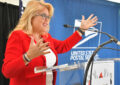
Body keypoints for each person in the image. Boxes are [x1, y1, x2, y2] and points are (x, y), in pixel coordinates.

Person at [2, 0, 98, 85]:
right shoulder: (18, 36)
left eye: (49, 16)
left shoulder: (46, 38)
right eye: (43, 16)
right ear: (31, 16)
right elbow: (7, 71)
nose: (47, 20)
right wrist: (27, 57)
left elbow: (64, 46)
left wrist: (80, 30)